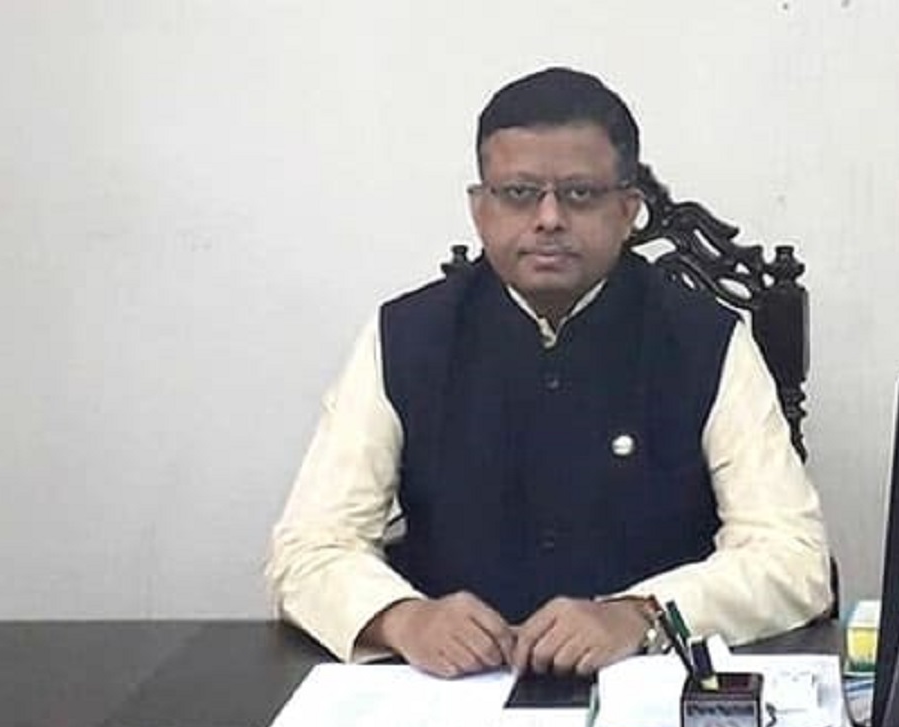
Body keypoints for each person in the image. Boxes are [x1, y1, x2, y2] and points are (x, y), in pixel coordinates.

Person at [267, 66, 831, 678]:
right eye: (518, 193)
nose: (549, 218)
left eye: (580, 194)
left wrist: (641, 615)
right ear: (479, 210)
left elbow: (794, 558)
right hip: (453, 690)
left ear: (628, 210)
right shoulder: (405, 337)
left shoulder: (707, 340)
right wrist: (402, 618)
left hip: (648, 689)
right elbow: (310, 548)